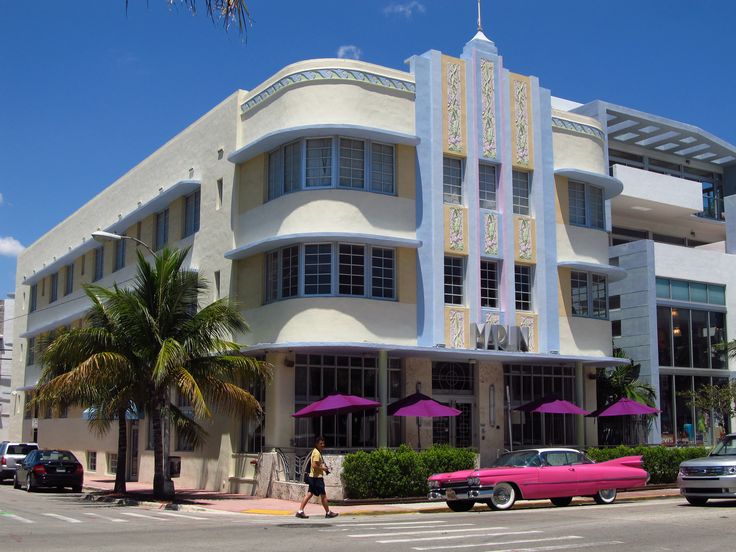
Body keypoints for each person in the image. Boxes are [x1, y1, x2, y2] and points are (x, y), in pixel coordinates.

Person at [296, 436, 338, 519]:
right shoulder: (316, 453)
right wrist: (323, 468)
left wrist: (324, 469)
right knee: (323, 495)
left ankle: (300, 511)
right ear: (316, 444)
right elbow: (314, 465)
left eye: (323, 443)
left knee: (310, 494)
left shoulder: (316, 452)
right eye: (320, 443)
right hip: (316, 478)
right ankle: (328, 512)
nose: (322, 445)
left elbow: (317, 464)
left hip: (313, 477)